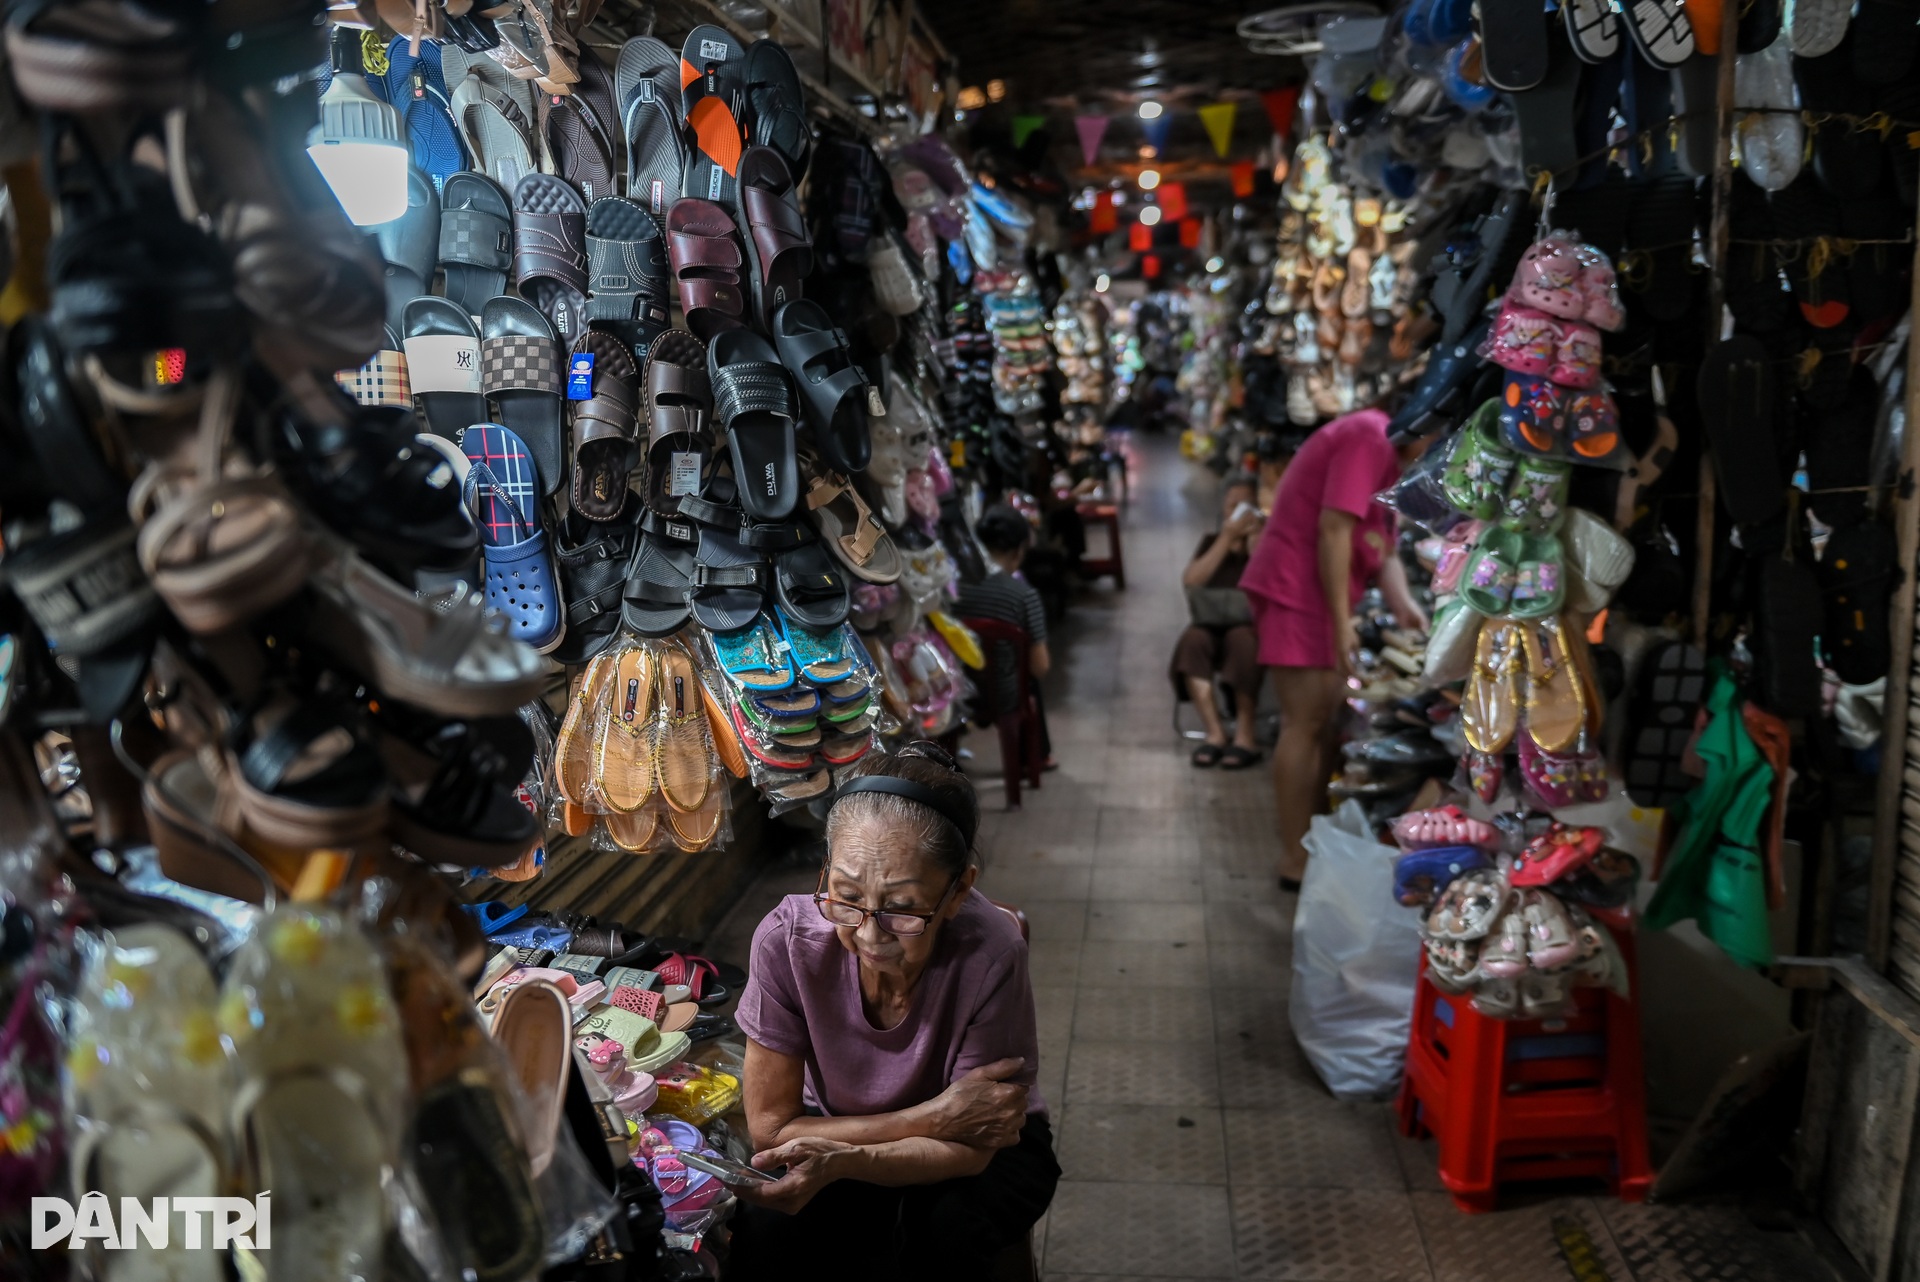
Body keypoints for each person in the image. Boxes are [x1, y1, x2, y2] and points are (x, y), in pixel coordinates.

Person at [726, 745, 1059, 1280]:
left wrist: (853, 1159)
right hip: (844, 1125)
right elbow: (771, 1130)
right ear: (826, 872)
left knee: (944, 1234)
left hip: (980, 1146)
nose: (868, 935)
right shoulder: (786, 942)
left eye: (902, 908)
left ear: (958, 892)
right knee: (764, 1231)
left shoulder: (991, 952)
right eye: (845, 895)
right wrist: (928, 1119)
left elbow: (974, 1142)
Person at [1238, 406, 1428, 889]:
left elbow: (1381, 546)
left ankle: (1313, 843)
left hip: (1321, 594)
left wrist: (1404, 606)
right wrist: (1343, 623)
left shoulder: (1389, 459)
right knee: (1304, 723)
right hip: (1297, 590)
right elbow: (1334, 528)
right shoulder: (1369, 436)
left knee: (1322, 723)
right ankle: (1293, 859)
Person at [1171, 477, 1265, 768]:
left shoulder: (1265, 544)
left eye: (1245, 505)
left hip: (1248, 625)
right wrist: (1226, 539)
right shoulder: (1212, 542)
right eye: (1231, 506)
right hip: (1210, 621)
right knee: (1192, 642)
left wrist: (1255, 544)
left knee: (1242, 641)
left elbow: (1269, 584)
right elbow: (1191, 580)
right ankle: (1215, 732)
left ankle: (1245, 734)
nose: (1238, 512)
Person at [953, 504, 1054, 767]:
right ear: (1019, 551)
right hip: (1004, 696)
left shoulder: (952, 587)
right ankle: (1036, 757)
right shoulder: (1024, 595)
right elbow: (1040, 667)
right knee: (1028, 677)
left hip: (957, 692)